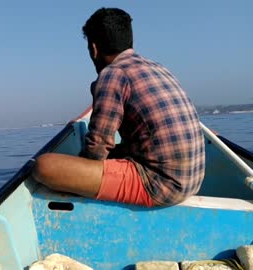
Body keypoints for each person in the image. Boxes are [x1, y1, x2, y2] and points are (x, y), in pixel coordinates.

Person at [32, 7, 205, 207]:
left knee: (44, 166)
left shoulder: (114, 73)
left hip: (161, 185)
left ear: (93, 48)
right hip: (193, 178)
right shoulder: (157, 67)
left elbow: (97, 148)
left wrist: (79, 171)